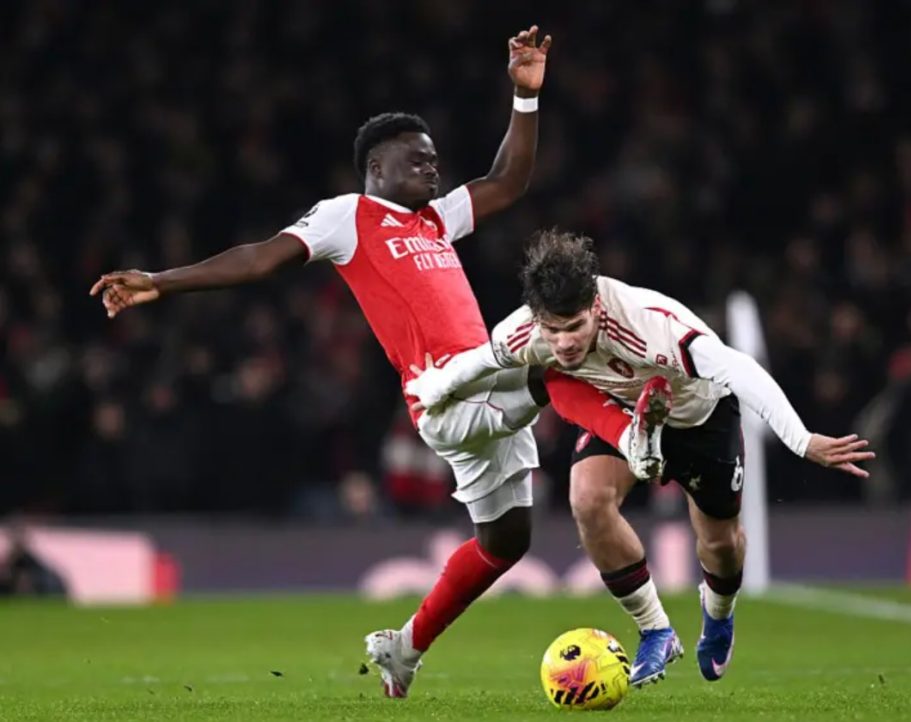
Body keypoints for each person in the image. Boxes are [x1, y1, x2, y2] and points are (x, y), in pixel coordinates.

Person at [89, 27, 665, 698]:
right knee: (557, 349)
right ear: (377, 167)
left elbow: (510, 180)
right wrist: (160, 279)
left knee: (506, 542)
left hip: (489, 384)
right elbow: (257, 257)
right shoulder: (348, 216)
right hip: (445, 398)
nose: (433, 168)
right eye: (418, 160)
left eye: (435, 160)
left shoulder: (436, 221)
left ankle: (404, 648)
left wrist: (524, 97)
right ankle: (633, 435)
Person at [405, 230, 876, 684]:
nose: (564, 342)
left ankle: (718, 615)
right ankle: (656, 630)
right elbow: (482, 359)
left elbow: (738, 366)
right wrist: (434, 387)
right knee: (588, 501)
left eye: (575, 327)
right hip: (627, 415)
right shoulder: (527, 330)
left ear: (595, 307)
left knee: (721, 545)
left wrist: (801, 439)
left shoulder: (651, 326)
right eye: (553, 330)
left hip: (699, 419)